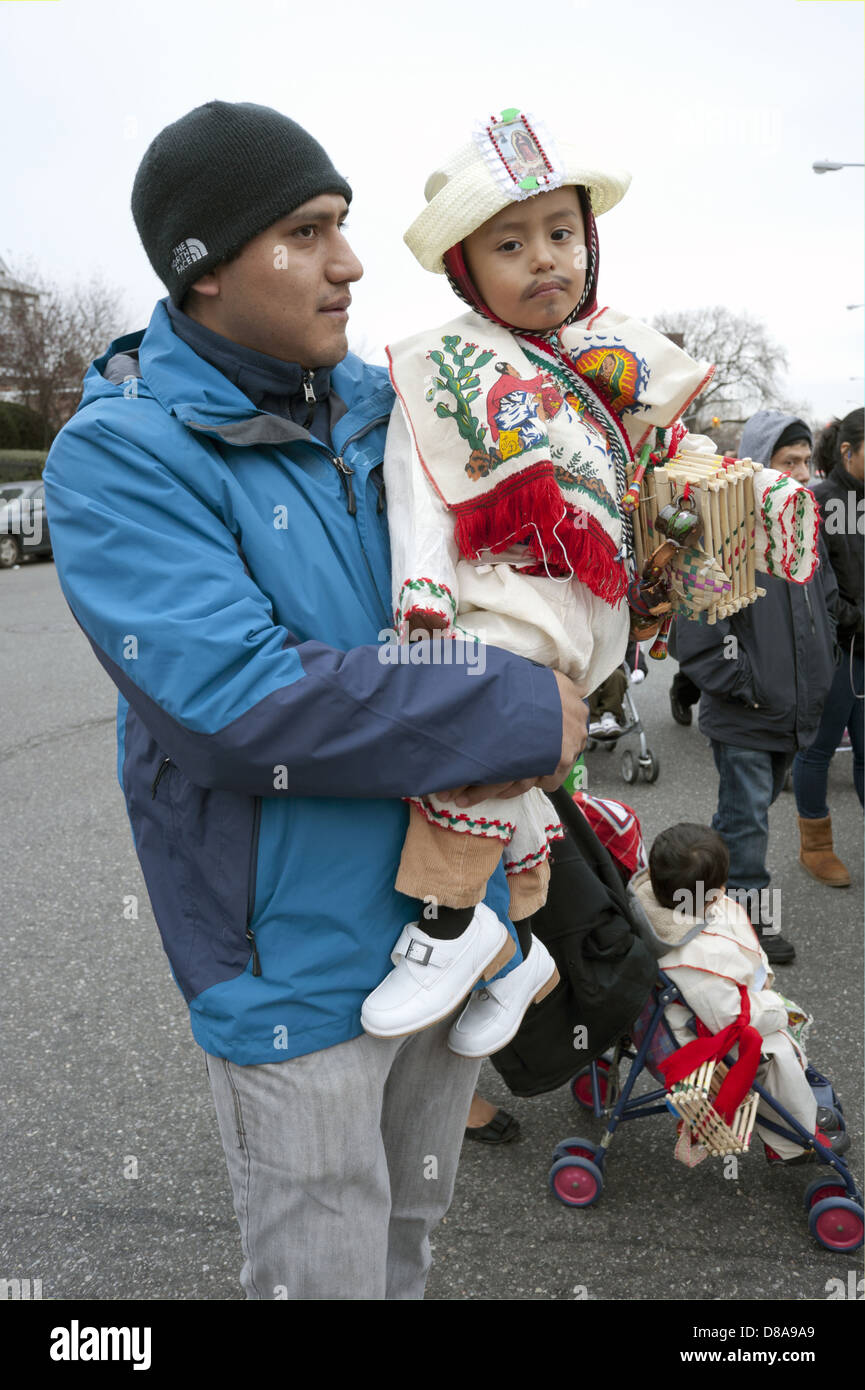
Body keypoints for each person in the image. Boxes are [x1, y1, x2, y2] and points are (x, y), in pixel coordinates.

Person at [41, 101, 590, 1302]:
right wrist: (516, 706)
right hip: (287, 960)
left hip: (446, 929)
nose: (347, 260)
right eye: (303, 230)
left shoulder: (394, 407)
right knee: (324, 1271)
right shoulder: (122, 450)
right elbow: (235, 703)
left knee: (406, 1241)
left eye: (342, 224)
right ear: (200, 272)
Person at [360, 107, 716, 1055]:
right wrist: (423, 590)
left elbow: (663, 461)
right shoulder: (446, 366)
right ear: (466, 267)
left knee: (507, 765)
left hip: (588, 617)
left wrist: (702, 510)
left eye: (561, 234)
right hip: (506, 603)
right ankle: (475, 935)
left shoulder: (611, 357)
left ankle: (486, 941)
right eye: (510, 245)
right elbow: (422, 485)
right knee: (478, 750)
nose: (544, 259)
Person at [674, 411, 839, 965]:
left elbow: (827, 603)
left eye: (804, 461)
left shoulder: (801, 522)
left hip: (791, 709)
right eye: (785, 461)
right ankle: (752, 926)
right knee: (746, 820)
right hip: (747, 711)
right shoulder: (724, 529)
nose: (798, 472)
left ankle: (704, 897)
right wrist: (744, 683)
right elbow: (695, 627)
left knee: (743, 814)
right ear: (757, 465)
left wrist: (824, 661)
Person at [630, 823, 847, 1163]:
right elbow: (731, 1020)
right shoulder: (695, 962)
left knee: (778, 1031)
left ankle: (801, 1110)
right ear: (714, 892)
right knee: (776, 1054)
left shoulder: (659, 904)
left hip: (704, 1011)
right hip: (701, 1037)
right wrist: (775, 1009)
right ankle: (793, 1140)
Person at [793, 408, 864, 884]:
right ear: (847, 451)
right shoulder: (818, 501)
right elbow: (818, 590)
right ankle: (816, 848)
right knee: (818, 750)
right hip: (837, 652)